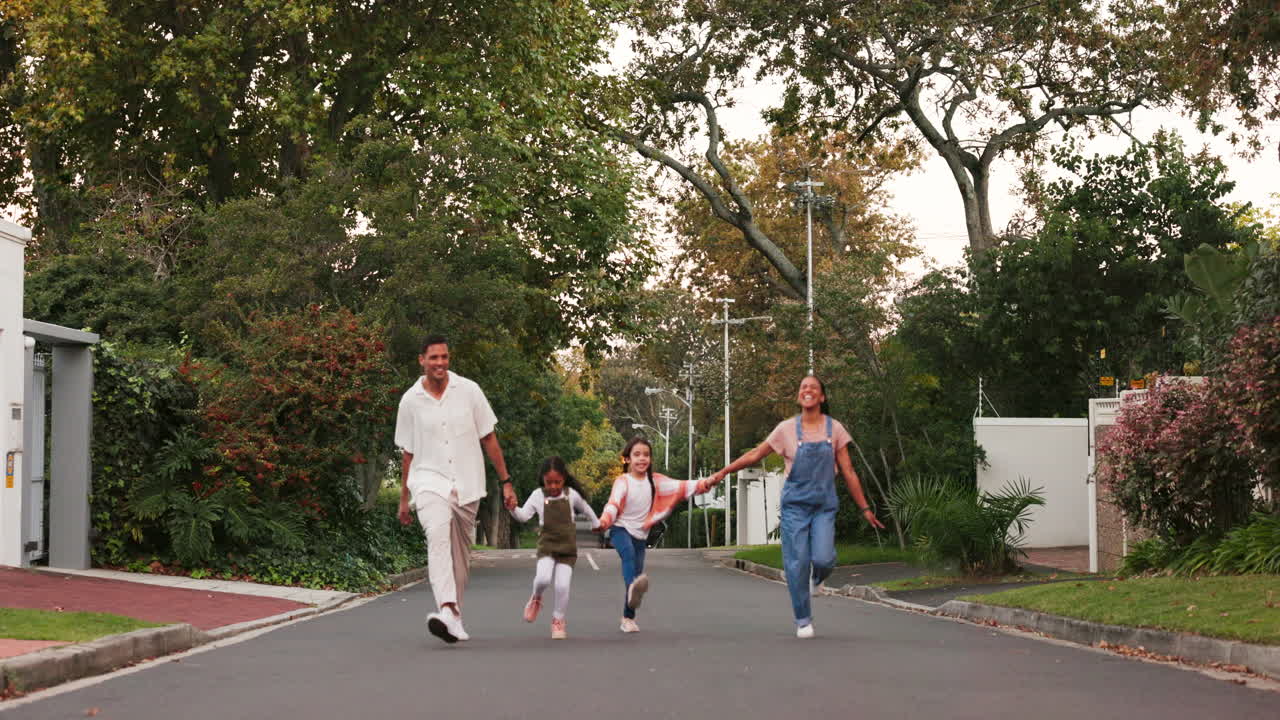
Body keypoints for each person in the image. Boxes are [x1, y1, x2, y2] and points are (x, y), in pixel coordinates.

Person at [709, 375, 885, 639]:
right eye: (803, 386)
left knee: (824, 558)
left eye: (814, 387)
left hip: (824, 506)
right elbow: (755, 455)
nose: (808, 390)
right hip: (794, 507)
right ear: (798, 396)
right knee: (796, 562)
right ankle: (803, 619)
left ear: (822, 397)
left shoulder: (834, 429)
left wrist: (865, 508)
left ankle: (818, 577)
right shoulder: (785, 430)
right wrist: (722, 472)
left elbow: (848, 471)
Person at [395, 334, 517, 645]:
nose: (440, 363)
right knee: (437, 536)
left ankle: (455, 617)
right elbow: (408, 452)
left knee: (460, 556)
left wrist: (506, 482)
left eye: (444, 357)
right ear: (421, 360)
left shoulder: (470, 391)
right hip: (427, 480)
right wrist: (404, 499)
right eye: (433, 358)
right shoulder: (410, 401)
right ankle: (446, 608)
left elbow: (488, 438)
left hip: (467, 483)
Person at [597, 436, 720, 633]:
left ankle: (628, 618)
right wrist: (604, 520)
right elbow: (613, 503)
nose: (642, 459)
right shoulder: (623, 481)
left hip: (641, 535)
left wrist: (706, 482)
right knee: (627, 557)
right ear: (627, 459)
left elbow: (683, 487)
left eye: (646, 455)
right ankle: (631, 590)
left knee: (637, 575)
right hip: (620, 529)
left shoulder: (655, 482)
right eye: (636, 455)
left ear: (651, 459)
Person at [509, 457, 601, 639]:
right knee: (542, 579)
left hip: (567, 549)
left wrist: (596, 523)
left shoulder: (571, 495)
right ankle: (536, 597)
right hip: (547, 547)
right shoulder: (537, 495)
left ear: (564, 479)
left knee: (562, 585)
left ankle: (558, 620)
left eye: (557, 482)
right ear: (542, 479)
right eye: (548, 482)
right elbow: (523, 516)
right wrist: (512, 508)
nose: (553, 486)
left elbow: (586, 508)